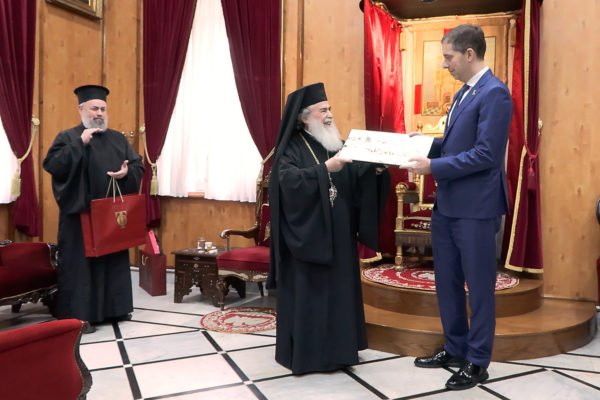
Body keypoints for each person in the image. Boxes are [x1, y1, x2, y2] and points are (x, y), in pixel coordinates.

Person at [403, 24, 513, 390]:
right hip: (448, 205)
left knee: (479, 288)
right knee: (446, 282)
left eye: (448, 57)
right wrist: (427, 144)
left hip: (476, 208)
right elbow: (455, 145)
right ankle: (454, 348)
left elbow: (485, 155)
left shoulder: (495, 93)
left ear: (469, 53)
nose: (444, 64)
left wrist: (432, 166)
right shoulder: (463, 93)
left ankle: (477, 361)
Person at [268, 82, 389, 374]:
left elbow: (355, 174)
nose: (329, 115)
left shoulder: (336, 144)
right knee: (312, 298)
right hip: (307, 238)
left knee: (340, 295)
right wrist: (324, 170)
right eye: (322, 110)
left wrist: (374, 171)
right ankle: (309, 357)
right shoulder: (290, 148)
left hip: (339, 235)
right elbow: (287, 183)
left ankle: (340, 352)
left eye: (330, 109)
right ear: (303, 117)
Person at [43, 85, 145, 334]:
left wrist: (125, 173)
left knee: (112, 261)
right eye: (94, 108)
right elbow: (52, 165)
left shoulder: (118, 139)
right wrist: (80, 143)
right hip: (81, 216)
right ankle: (80, 316)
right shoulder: (68, 137)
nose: (99, 113)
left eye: (102, 109)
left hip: (110, 217)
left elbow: (138, 166)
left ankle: (115, 309)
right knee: (82, 267)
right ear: (81, 109)